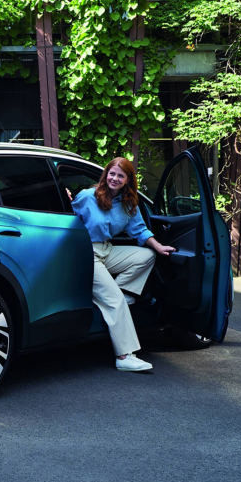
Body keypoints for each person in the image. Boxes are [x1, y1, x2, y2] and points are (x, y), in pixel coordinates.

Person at [69, 157, 176, 372]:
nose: (115, 178)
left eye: (120, 175)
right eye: (112, 173)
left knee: (146, 256)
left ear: (128, 180)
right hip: (86, 253)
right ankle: (124, 356)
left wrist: (158, 246)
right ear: (106, 174)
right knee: (115, 302)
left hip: (106, 250)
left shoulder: (129, 203)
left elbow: (139, 230)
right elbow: (68, 219)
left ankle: (118, 293)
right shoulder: (87, 197)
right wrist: (64, 200)